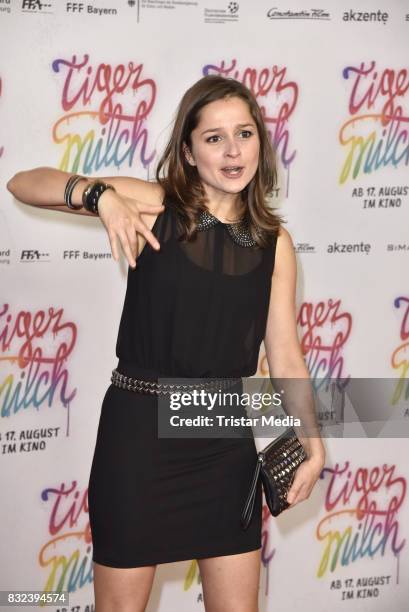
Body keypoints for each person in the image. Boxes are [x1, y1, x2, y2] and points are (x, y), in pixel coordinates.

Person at [7, 75, 326, 612]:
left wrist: (312, 445)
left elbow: (285, 354)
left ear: (261, 144)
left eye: (244, 134)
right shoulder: (154, 204)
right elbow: (23, 182)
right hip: (139, 439)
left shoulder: (277, 243)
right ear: (188, 150)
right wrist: (101, 196)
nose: (232, 151)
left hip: (225, 436)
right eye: (214, 137)